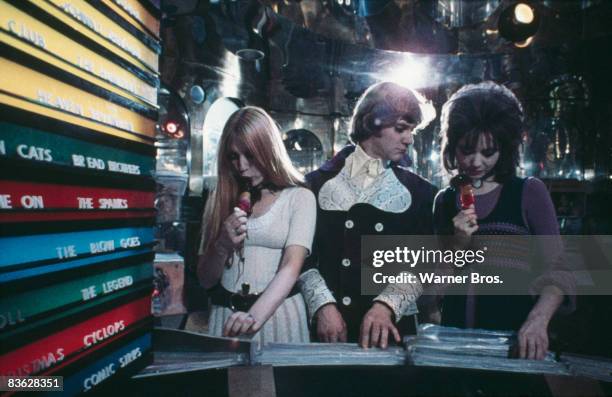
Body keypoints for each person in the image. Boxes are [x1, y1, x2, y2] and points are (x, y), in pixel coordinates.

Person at [433, 81, 576, 360]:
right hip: (454, 344)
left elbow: (559, 271)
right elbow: (433, 288)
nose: (475, 161)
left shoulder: (527, 192)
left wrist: (538, 320)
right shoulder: (445, 200)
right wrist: (456, 245)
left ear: (505, 148)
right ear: (452, 145)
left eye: (488, 152)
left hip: (513, 343)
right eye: (466, 149)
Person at [298, 82, 437, 348]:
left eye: (411, 130)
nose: (408, 138)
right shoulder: (314, 185)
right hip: (326, 334)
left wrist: (386, 306)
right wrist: (323, 306)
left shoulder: (421, 193)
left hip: (391, 335)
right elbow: (301, 256)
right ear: (373, 122)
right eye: (400, 129)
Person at [197, 106, 316, 345]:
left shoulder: (299, 197)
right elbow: (205, 280)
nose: (241, 166)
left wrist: (252, 318)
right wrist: (221, 245)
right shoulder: (218, 199)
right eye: (233, 156)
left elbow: (290, 268)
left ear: (268, 150)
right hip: (226, 318)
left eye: (250, 155)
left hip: (278, 316)